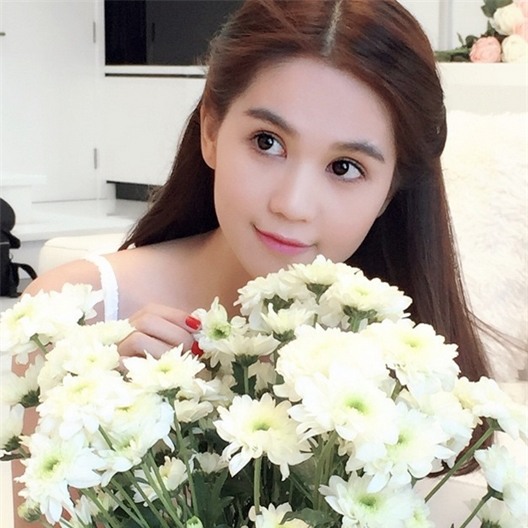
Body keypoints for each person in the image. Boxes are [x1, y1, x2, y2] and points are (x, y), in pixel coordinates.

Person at [12, 1, 490, 526]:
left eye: (344, 167)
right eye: (268, 143)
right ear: (211, 131)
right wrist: (97, 422)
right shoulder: (70, 319)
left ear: (389, 192)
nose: (293, 204)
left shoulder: (406, 372)